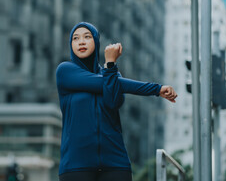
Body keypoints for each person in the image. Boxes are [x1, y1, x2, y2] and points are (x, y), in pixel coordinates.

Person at [56, 22, 177, 181]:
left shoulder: (112, 75)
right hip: (76, 165)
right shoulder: (65, 71)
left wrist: (110, 65)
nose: (81, 42)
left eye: (87, 37)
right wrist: (156, 89)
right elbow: (106, 84)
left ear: (97, 42)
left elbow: (113, 103)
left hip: (115, 164)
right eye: (75, 38)